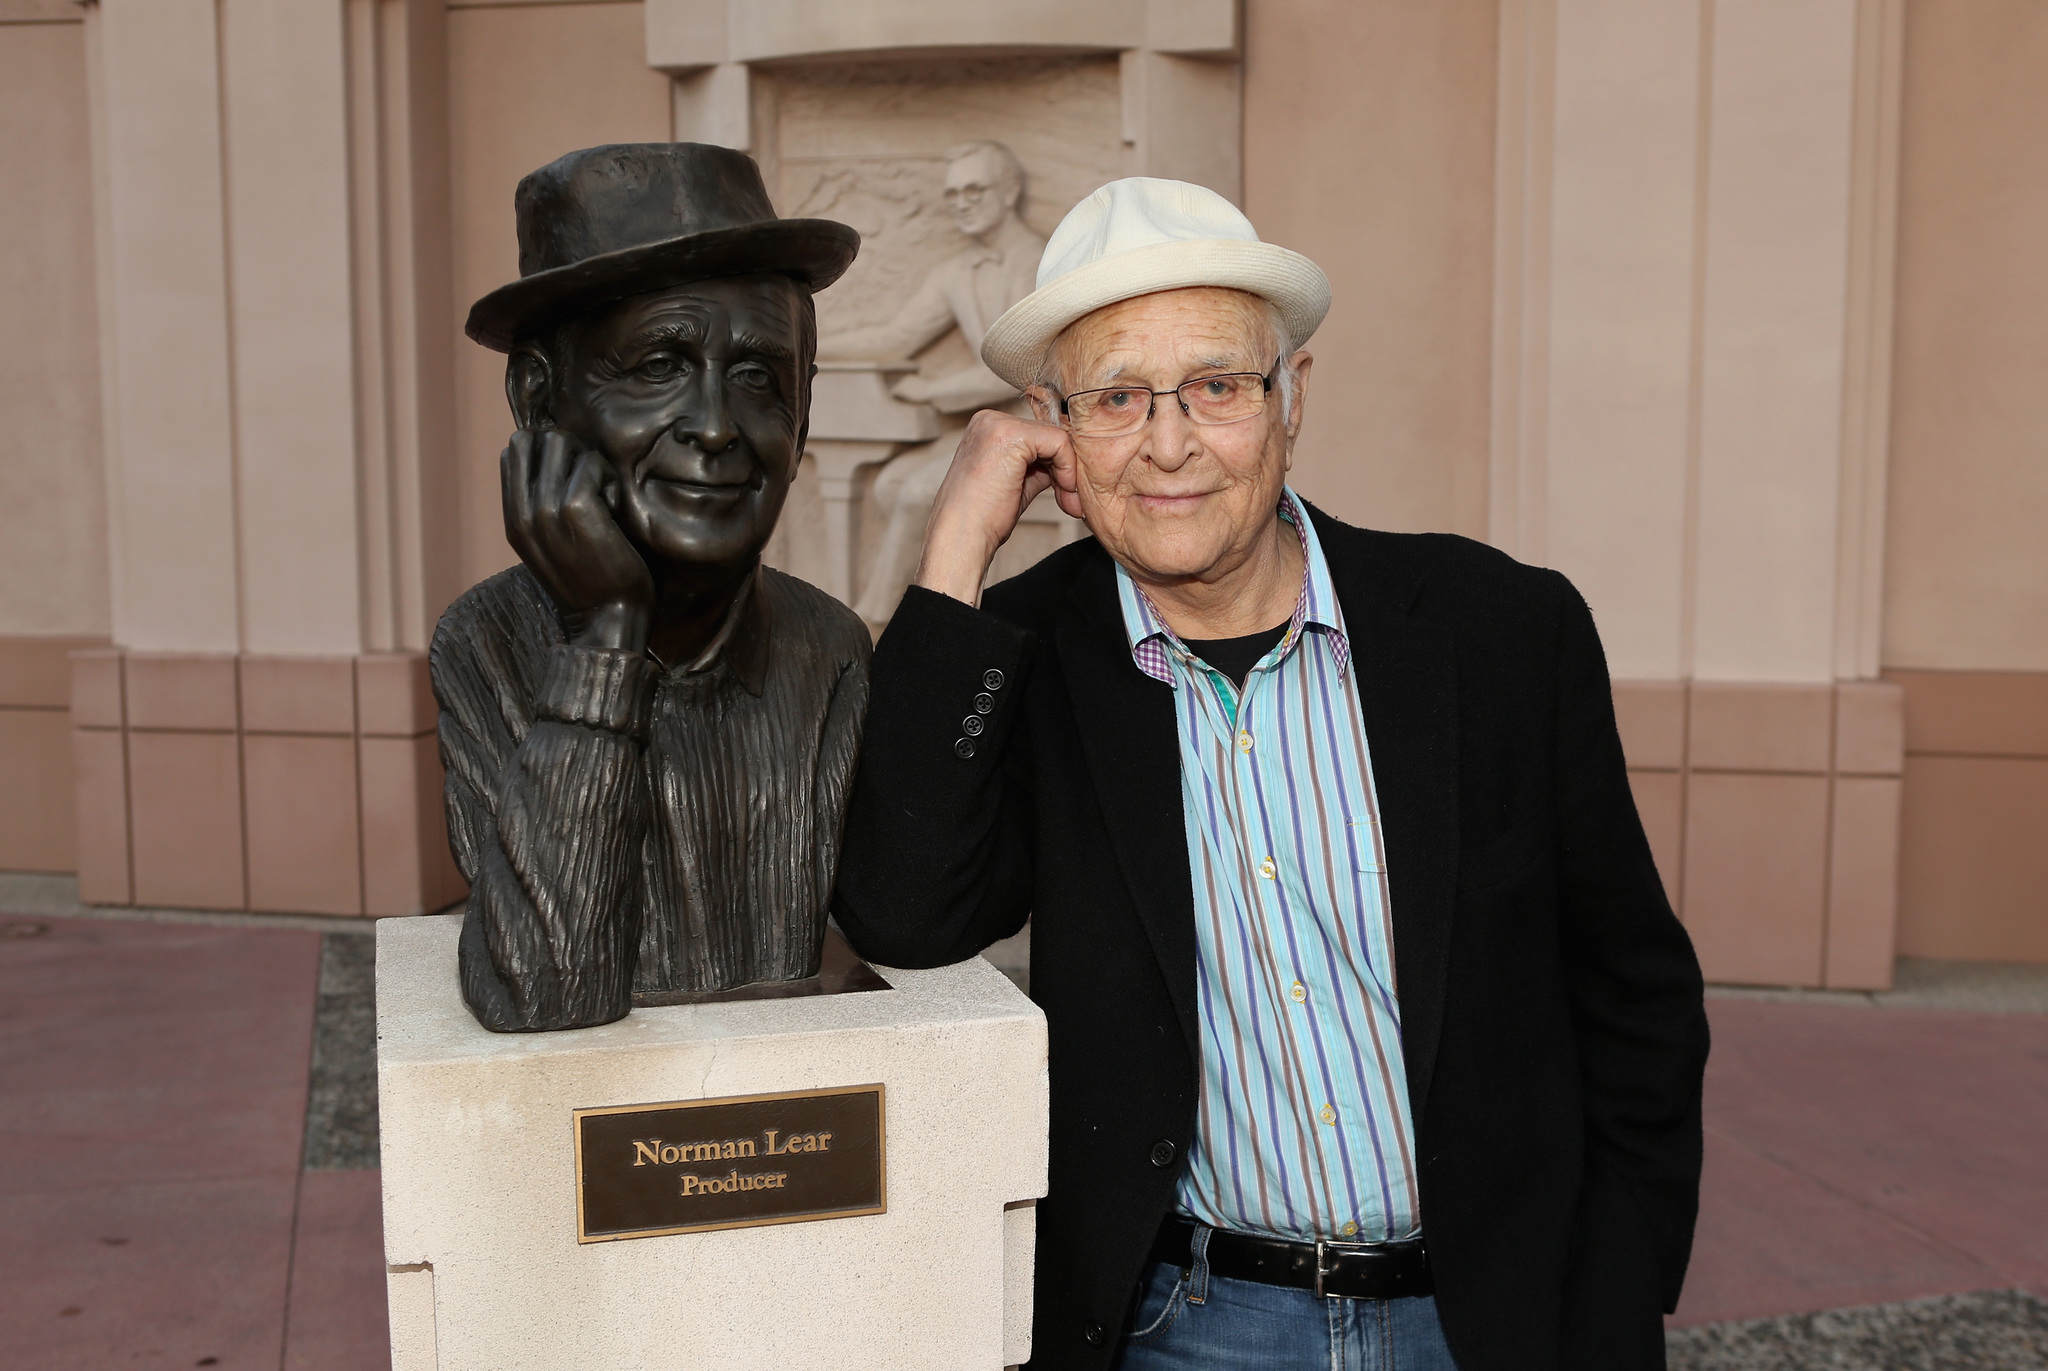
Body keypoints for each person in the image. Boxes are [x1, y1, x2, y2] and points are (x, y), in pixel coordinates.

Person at [832, 178, 1710, 1370]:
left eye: (1215, 386)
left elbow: (1632, 992)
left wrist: (1619, 1286)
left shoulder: (1500, 629)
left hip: (1494, 1316)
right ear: (1057, 439)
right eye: (1115, 398)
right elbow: (902, 911)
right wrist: (954, 556)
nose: (1168, 442)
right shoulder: (1032, 660)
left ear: (1292, 396)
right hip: (1187, 1326)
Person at [433, 144, 871, 1032]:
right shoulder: (482, 646)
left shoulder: (831, 653)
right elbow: (544, 993)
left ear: (805, 407)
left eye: (757, 377)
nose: (715, 426)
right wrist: (605, 638)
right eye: (659, 365)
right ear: (539, 399)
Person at [815, 140, 1049, 625]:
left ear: (1009, 193)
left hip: (1036, 421)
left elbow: (1028, 363)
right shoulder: (955, 273)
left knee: (923, 488)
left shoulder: (1039, 262)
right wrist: (807, 332)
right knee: (891, 483)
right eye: (953, 193)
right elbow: (897, 335)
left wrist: (933, 392)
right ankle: (943, 605)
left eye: (974, 189)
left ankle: (875, 621)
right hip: (988, 423)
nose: (961, 201)